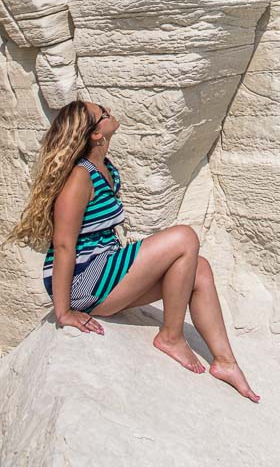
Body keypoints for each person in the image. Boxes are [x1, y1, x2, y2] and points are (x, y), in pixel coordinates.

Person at [4, 99, 260, 402]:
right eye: (103, 113)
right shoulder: (79, 177)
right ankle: (171, 337)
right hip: (82, 280)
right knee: (185, 238)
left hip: (103, 268)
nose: (109, 110)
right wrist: (63, 311)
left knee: (199, 269)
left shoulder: (105, 168)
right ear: (96, 134)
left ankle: (226, 362)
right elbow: (63, 245)